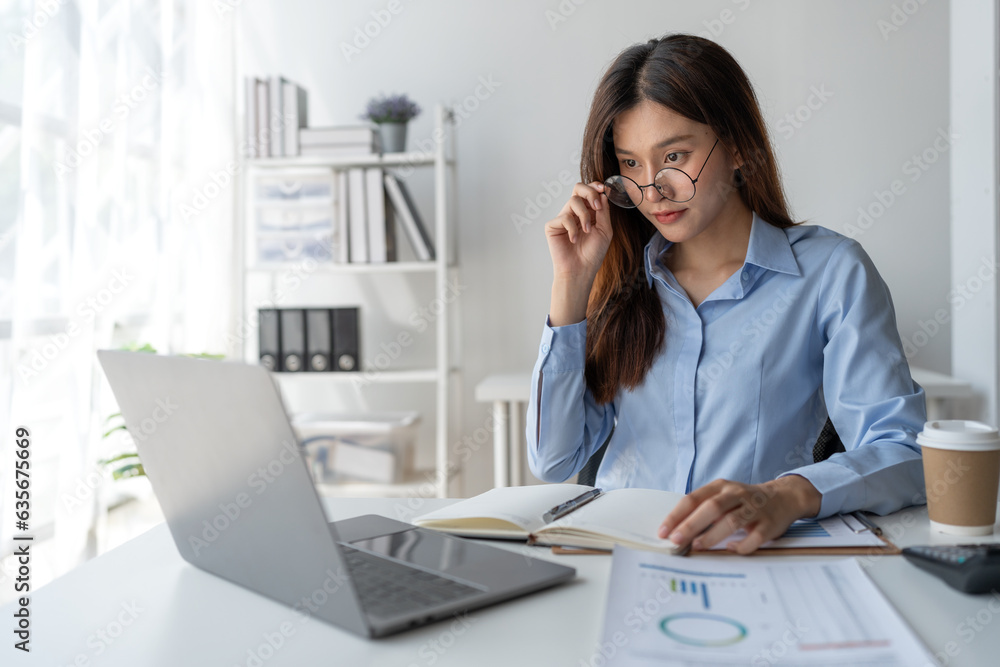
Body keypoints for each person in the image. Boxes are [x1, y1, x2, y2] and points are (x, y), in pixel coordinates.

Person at [525, 33, 926, 555]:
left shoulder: (829, 272)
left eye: (674, 155)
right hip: (620, 557)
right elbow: (553, 462)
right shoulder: (621, 279)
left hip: (755, 562)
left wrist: (788, 495)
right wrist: (571, 286)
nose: (653, 191)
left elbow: (904, 452)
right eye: (630, 164)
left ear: (739, 146)